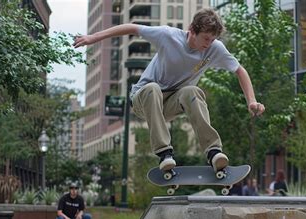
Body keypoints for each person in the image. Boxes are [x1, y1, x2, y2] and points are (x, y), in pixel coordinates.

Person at [73, 8, 265, 172]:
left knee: (193, 91)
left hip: (172, 102)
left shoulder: (215, 48)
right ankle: (164, 153)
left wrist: (251, 101)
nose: (208, 44)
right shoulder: (167, 35)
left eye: (212, 40)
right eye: (206, 39)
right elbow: (131, 27)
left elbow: (240, 71)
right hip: (144, 98)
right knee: (153, 88)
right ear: (192, 31)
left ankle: (213, 152)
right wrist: (92, 38)